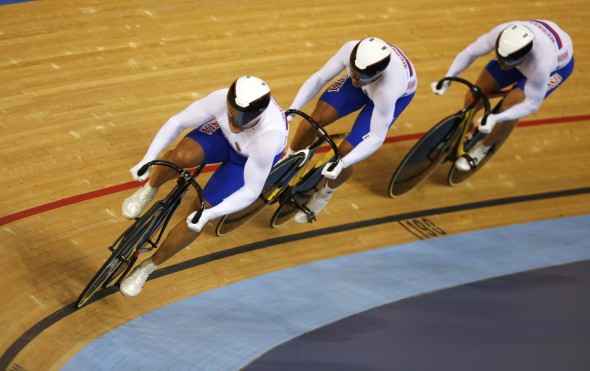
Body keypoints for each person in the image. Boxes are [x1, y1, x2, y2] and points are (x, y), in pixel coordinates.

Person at [119, 76, 288, 297]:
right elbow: (177, 122)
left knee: (198, 215)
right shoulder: (220, 99)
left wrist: (211, 214)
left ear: (258, 116)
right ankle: (148, 190)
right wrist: (147, 159)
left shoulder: (268, 139)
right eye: (232, 112)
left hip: (247, 159)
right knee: (179, 156)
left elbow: (251, 190)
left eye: (243, 118)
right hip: (222, 137)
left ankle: (147, 267)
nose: (235, 121)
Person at [286, 36, 417, 223]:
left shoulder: (388, 90)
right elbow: (320, 77)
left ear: (377, 74)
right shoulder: (350, 50)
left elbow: (376, 137)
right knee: (311, 122)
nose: (355, 79)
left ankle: (324, 194)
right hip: (369, 85)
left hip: (390, 96)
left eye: (361, 76)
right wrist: (293, 108)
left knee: (345, 152)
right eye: (353, 72)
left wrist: (342, 164)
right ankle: (287, 164)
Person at [431, 20, 574, 171]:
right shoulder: (501, 33)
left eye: (507, 61)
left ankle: (483, 148)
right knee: (476, 92)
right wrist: (448, 78)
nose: (502, 65)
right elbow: (470, 52)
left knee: (509, 107)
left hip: (556, 68)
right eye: (500, 58)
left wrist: (496, 118)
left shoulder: (541, 65)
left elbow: (532, 104)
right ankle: (465, 126)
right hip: (524, 55)